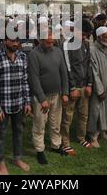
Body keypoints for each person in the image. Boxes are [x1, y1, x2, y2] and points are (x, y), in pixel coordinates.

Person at [0, 33, 31, 175]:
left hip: (18, 103)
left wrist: (27, 102)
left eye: (17, 41)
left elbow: (25, 81)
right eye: (12, 41)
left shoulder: (23, 57)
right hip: (2, 106)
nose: (15, 43)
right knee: (0, 134)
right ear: (5, 41)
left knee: (18, 132)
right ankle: (1, 163)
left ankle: (17, 158)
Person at [28, 27, 69, 164]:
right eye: (47, 42)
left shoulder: (57, 51)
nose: (51, 44)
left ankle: (56, 145)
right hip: (41, 97)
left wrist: (65, 92)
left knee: (55, 123)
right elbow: (34, 78)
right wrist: (41, 98)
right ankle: (40, 150)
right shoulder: (34, 55)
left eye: (52, 41)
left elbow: (63, 73)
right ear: (40, 40)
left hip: (56, 95)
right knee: (40, 124)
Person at [60, 20, 94, 156]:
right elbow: (67, 68)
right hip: (72, 88)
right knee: (67, 117)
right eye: (84, 34)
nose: (85, 37)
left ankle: (81, 137)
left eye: (87, 34)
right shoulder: (67, 45)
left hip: (84, 86)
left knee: (83, 115)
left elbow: (89, 65)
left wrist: (90, 84)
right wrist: (72, 88)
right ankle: (65, 142)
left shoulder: (86, 44)